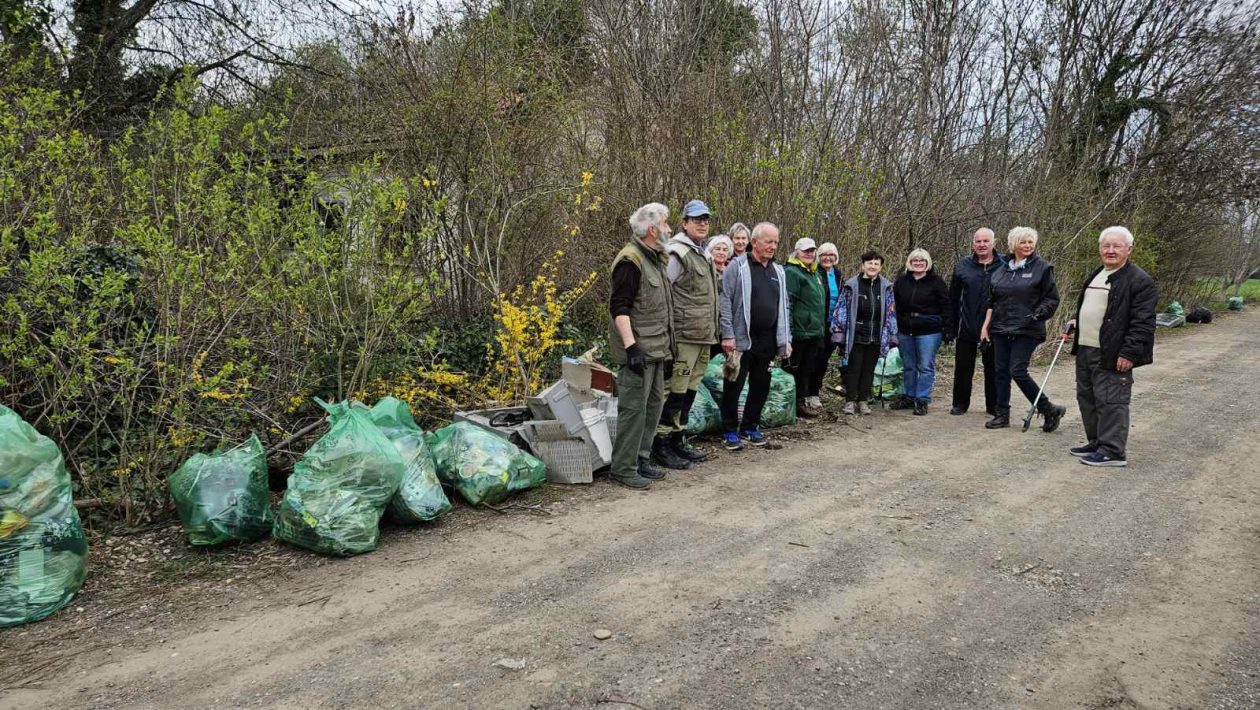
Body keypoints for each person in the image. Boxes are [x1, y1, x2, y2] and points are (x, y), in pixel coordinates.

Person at [1067, 226, 1157, 467]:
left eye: (1116, 246)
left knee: (1112, 400)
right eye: (1106, 246)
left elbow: (1143, 323)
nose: (1110, 250)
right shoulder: (1098, 274)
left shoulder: (1139, 281)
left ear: (1129, 249)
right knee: (1088, 397)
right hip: (1087, 348)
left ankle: (1113, 450)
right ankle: (1097, 442)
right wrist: (1078, 321)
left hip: (1113, 351)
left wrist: (1129, 352)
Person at [608, 203, 676, 489]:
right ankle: (623, 468)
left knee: (652, 408)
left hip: (657, 349)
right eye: (666, 224)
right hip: (639, 352)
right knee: (633, 411)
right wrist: (631, 347)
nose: (670, 229)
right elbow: (619, 307)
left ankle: (641, 458)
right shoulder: (630, 260)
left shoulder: (656, 258)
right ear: (652, 229)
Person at [654, 200, 720, 469]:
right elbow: (662, 293)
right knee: (674, 392)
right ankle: (660, 444)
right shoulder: (676, 253)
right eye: (696, 219)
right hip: (683, 336)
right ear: (685, 223)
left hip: (703, 335)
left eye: (705, 219)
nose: (702, 223)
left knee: (690, 392)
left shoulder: (702, 253)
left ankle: (677, 440)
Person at [980, 226, 1063, 431]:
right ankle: (1001, 415)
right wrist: (986, 327)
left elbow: (1052, 299)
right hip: (1000, 327)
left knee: (1017, 370)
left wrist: (1037, 314)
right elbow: (992, 300)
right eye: (1023, 242)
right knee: (1000, 372)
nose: (1027, 246)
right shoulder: (1001, 269)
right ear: (1013, 244)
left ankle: (1048, 409)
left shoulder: (1042, 268)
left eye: (1030, 242)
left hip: (1027, 328)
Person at [718, 222, 791, 450]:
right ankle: (729, 430)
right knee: (734, 384)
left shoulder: (778, 271)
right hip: (741, 340)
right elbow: (725, 301)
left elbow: (784, 306)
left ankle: (750, 426)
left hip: (768, 341)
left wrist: (786, 338)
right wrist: (728, 334)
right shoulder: (737, 267)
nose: (773, 246)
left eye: (776, 242)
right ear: (755, 242)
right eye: (768, 241)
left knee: (761, 385)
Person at [832, 251, 897, 415]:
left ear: (881, 267)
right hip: (856, 335)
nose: (872, 266)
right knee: (853, 369)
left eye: (876, 264)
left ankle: (863, 400)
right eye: (869, 263)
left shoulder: (886, 287)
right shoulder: (851, 285)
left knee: (869, 370)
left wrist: (892, 335)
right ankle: (850, 401)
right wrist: (838, 331)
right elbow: (842, 308)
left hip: (876, 336)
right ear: (863, 265)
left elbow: (891, 312)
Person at [949, 228, 1005, 416]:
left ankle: (994, 406)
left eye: (986, 241)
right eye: (978, 241)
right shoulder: (962, 266)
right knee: (963, 368)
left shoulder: (1005, 264)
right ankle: (960, 404)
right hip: (966, 325)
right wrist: (950, 327)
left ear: (994, 243)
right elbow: (953, 298)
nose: (982, 245)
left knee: (994, 369)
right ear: (973, 244)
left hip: (994, 327)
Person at [891, 248, 953, 415]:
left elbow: (946, 306)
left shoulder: (936, 282)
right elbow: (893, 304)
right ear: (909, 263)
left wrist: (948, 328)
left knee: (925, 366)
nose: (918, 263)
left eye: (922, 261)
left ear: (927, 263)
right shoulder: (901, 282)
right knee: (908, 365)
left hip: (929, 331)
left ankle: (922, 399)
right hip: (905, 329)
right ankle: (909, 396)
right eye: (915, 261)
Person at [784, 238, 826, 418]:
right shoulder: (793, 272)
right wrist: (789, 331)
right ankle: (788, 403)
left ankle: (801, 401)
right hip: (799, 332)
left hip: (814, 331)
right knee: (793, 368)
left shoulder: (815, 272)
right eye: (805, 251)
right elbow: (788, 303)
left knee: (807, 369)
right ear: (797, 252)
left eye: (812, 251)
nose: (809, 254)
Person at [809, 242, 843, 406]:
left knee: (824, 360)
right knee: (813, 358)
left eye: (831, 255)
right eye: (823, 255)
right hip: (817, 324)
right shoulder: (814, 273)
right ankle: (808, 393)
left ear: (835, 257)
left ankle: (815, 391)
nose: (827, 258)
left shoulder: (838, 275)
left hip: (833, 326)